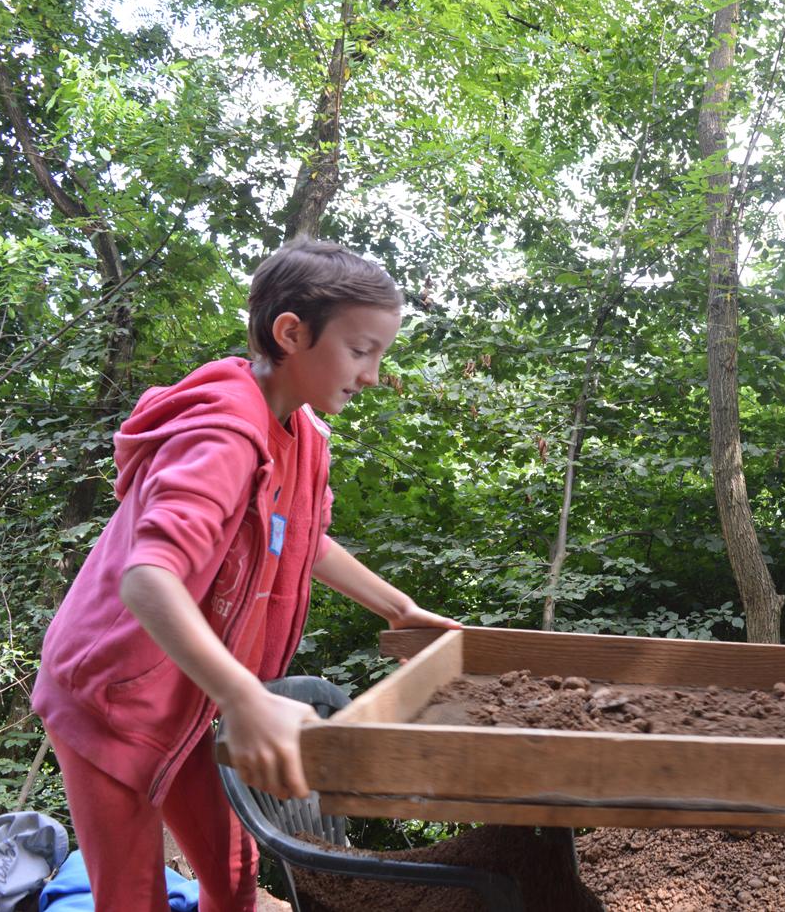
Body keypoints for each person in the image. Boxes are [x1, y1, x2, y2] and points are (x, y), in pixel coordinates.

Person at [32, 237, 462, 911]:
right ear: (291, 332)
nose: (374, 374)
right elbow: (148, 578)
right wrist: (245, 696)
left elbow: (306, 541)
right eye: (361, 349)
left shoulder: (303, 435)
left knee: (233, 871)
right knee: (131, 895)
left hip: (187, 693)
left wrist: (398, 607)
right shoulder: (224, 435)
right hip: (110, 695)